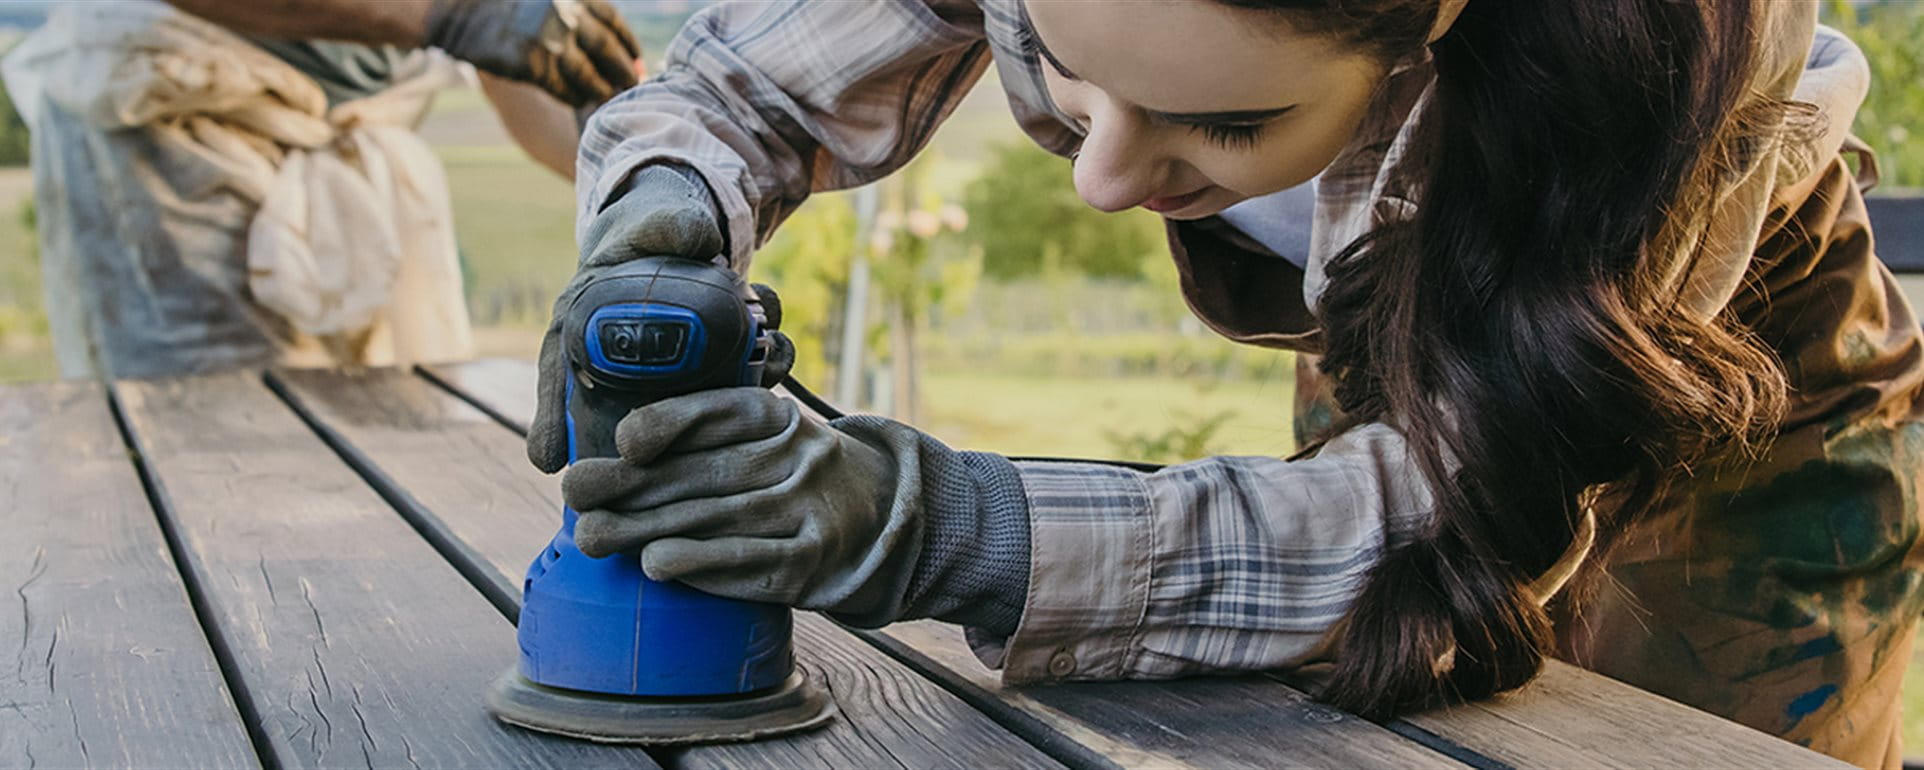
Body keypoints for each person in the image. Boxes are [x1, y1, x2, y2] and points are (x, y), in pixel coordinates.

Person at [536, 2, 1920, 766]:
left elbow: (1437, 536)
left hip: (1711, 375)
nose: (1101, 181)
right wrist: (658, 222)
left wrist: (957, 530)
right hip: (1393, 331)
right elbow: (742, 93)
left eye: (1228, 119)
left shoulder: (1651, 86)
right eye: (1066, 70)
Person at [1, 0, 640, 378]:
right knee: (213, 449)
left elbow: (515, 62)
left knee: (385, 448)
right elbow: (469, 16)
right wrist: (449, 11)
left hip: (355, 145)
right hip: (170, 132)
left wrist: (640, 160)